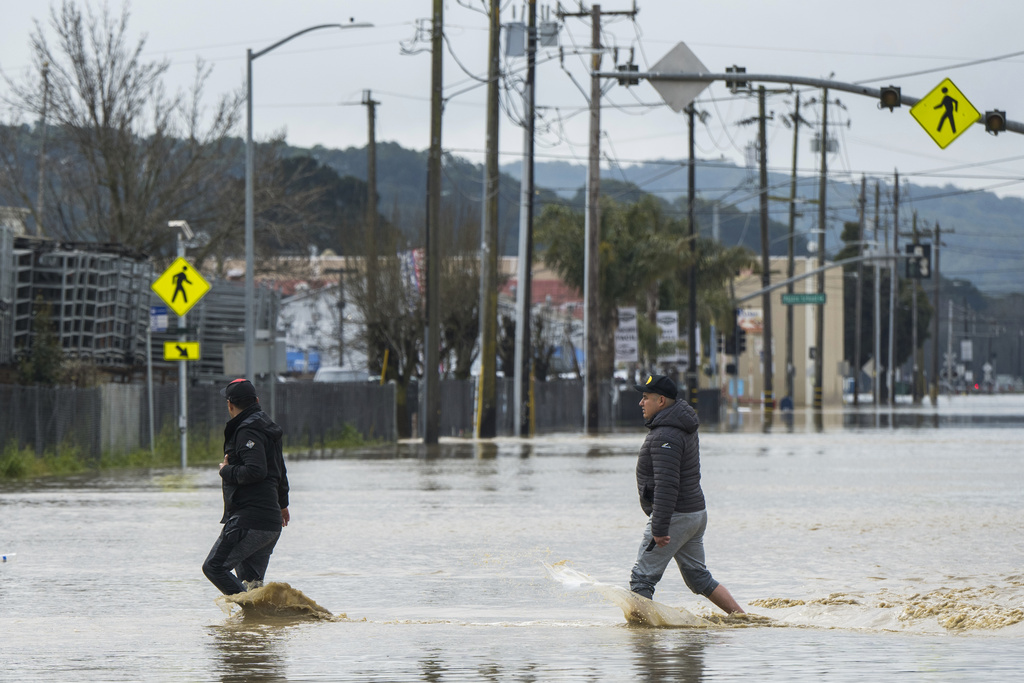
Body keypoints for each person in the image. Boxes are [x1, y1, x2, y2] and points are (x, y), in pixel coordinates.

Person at [628, 373, 744, 614]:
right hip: (694, 513)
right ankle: (741, 618)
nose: (641, 403)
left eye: (645, 398)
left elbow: (667, 485)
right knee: (699, 578)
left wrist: (659, 528)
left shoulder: (665, 435)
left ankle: (642, 642)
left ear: (661, 401)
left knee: (642, 579)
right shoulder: (680, 424)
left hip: (675, 516)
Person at [202, 378, 290, 595]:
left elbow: (256, 471)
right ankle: (259, 623)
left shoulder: (246, 430)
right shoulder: (266, 427)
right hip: (269, 523)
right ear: (257, 401)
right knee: (252, 586)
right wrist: (282, 504)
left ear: (230, 404)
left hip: (249, 520)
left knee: (214, 567)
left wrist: (225, 470)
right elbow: (279, 469)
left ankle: (255, 613)